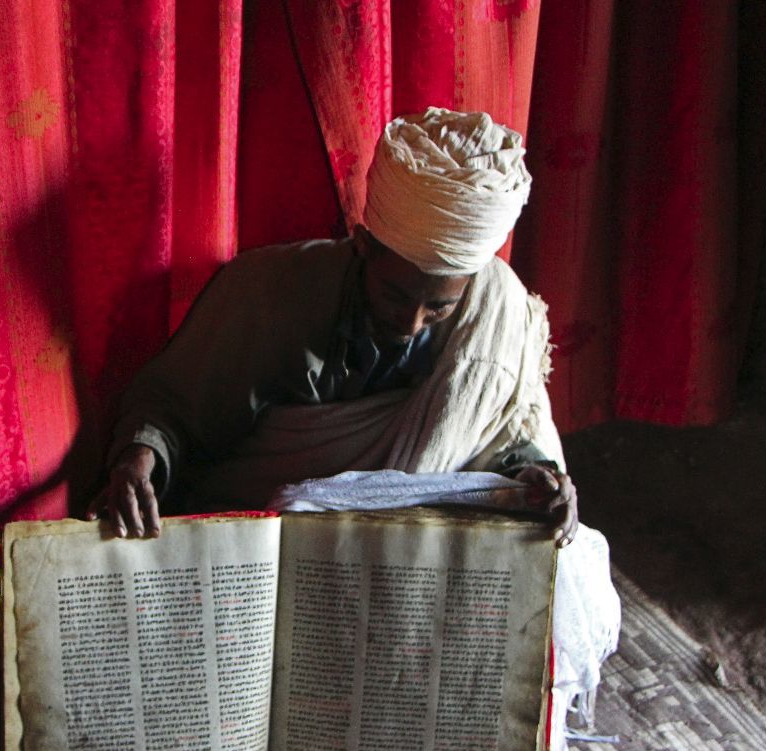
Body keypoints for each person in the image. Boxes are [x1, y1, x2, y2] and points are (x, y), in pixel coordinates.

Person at [86, 107, 576, 543]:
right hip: (261, 540)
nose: (411, 323)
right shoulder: (268, 292)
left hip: (412, 552)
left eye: (439, 308)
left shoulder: (495, 312)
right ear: (363, 246)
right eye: (395, 295)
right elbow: (173, 409)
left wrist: (537, 476)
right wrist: (138, 458)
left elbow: (504, 429)